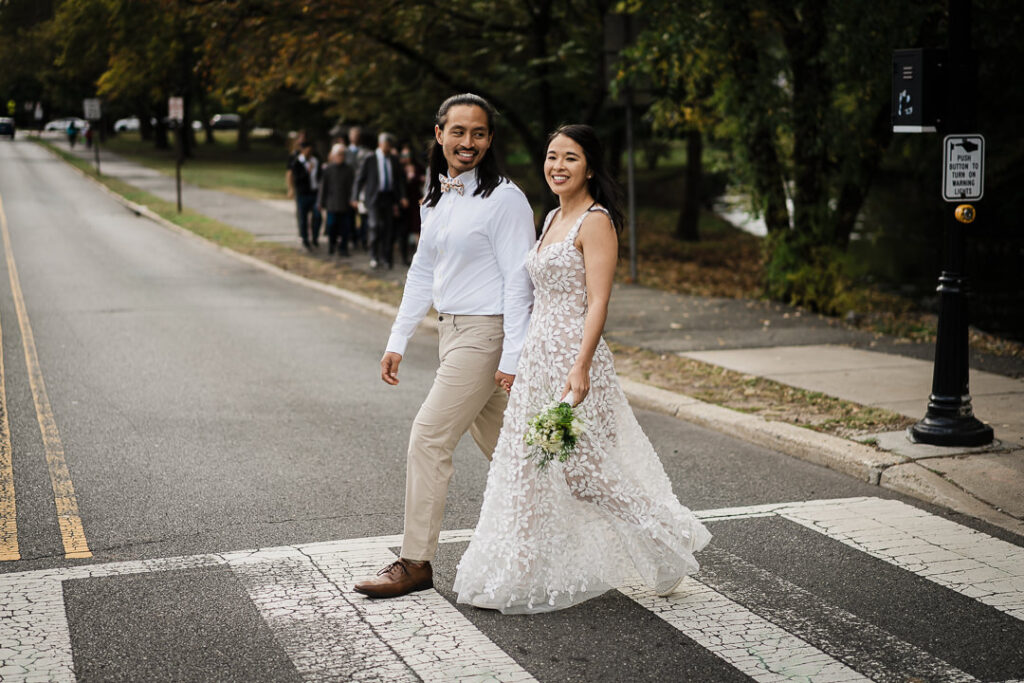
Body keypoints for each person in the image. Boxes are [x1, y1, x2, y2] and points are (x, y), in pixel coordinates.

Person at [453, 124, 711, 614]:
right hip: (537, 359)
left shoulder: (596, 221)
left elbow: (598, 301)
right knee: (529, 468)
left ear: (589, 166)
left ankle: (665, 539)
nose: (558, 166)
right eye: (552, 157)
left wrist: (582, 365)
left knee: (585, 475)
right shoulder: (550, 215)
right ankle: (517, 572)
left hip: (573, 356)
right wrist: (515, 358)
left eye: (570, 158)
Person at [353, 94, 536, 599]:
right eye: (458, 132)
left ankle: (416, 562)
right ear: (439, 134)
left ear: (490, 140)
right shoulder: (437, 196)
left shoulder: (506, 200)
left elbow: (520, 284)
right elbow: (423, 270)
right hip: (451, 331)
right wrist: (398, 339)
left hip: (487, 335)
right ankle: (581, 522)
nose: (468, 142)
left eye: (479, 133)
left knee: (428, 438)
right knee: (516, 449)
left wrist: (514, 358)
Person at [352, 132, 407, 269]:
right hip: (374, 198)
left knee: (388, 229)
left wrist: (403, 196)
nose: (388, 148)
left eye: (390, 146)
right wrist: (355, 197)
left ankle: (386, 258)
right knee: (375, 226)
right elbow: (360, 179)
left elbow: (400, 180)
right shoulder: (370, 159)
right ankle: (373, 256)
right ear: (380, 144)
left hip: (388, 197)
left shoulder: (394, 159)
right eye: (386, 145)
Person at [318, 144, 356, 256]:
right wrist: (321, 202)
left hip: (345, 203)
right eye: (339, 155)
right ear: (334, 156)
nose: (341, 157)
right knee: (331, 225)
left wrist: (353, 199)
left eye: (342, 155)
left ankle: (343, 248)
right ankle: (332, 244)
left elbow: (353, 186)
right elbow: (323, 187)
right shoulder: (328, 169)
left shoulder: (349, 170)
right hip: (332, 203)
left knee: (345, 228)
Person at [287, 139, 322, 251]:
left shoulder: (316, 161)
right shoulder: (296, 162)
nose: (309, 152)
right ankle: (305, 239)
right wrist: (307, 171)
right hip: (302, 194)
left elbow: (320, 176)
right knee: (303, 218)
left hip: (314, 193)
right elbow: (296, 178)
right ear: (303, 150)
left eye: (311, 150)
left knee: (317, 216)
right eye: (307, 150)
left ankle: (315, 238)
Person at [398, 144, 426, 265]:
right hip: (404, 202)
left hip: (416, 200)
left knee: (417, 228)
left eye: (408, 155)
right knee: (404, 230)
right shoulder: (399, 169)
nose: (407, 157)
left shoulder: (418, 167)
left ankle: (420, 255)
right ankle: (404, 256)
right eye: (404, 155)